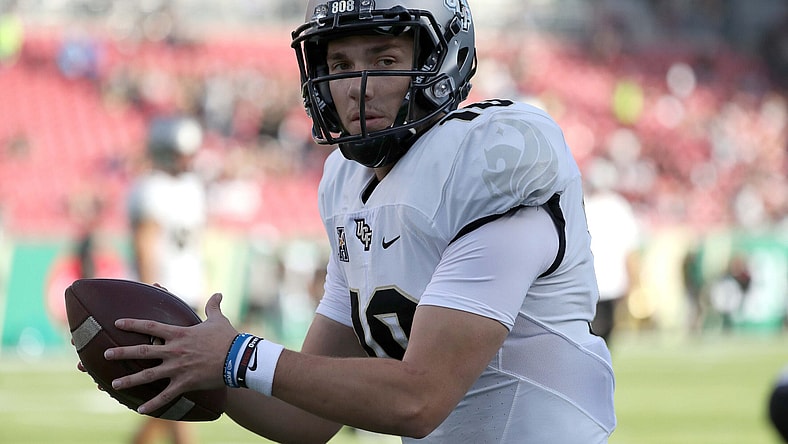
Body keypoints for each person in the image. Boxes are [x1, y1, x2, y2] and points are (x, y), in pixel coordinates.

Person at [95, 1, 616, 442]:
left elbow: (419, 398)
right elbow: (307, 416)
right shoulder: (348, 185)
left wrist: (237, 356)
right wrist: (190, 366)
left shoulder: (491, 159)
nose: (356, 86)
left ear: (443, 58)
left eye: (385, 59)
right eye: (339, 64)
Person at [126, 115, 208, 444]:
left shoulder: (191, 187)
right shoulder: (150, 189)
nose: (189, 159)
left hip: (186, 297)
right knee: (177, 393)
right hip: (163, 299)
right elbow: (146, 249)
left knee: (174, 394)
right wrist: (150, 303)